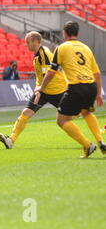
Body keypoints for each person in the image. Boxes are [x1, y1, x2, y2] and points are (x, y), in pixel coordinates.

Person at [34, 21, 105, 158]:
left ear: (64, 33)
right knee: (86, 112)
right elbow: (96, 74)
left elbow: (51, 72)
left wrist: (41, 88)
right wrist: (98, 93)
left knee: (62, 120)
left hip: (76, 87)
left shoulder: (62, 48)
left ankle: (87, 145)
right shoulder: (86, 48)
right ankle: (101, 141)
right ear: (77, 33)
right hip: (90, 86)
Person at [0, 31, 68, 149]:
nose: (26, 44)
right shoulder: (37, 56)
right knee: (26, 112)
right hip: (44, 90)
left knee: (73, 114)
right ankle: (11, 140)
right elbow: (40, 77)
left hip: (57, 90)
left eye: (28, 42)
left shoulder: (43, 54)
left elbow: (48, 75)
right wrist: (37, 90)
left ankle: (96, 137)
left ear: (36, 42)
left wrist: (40, 90)